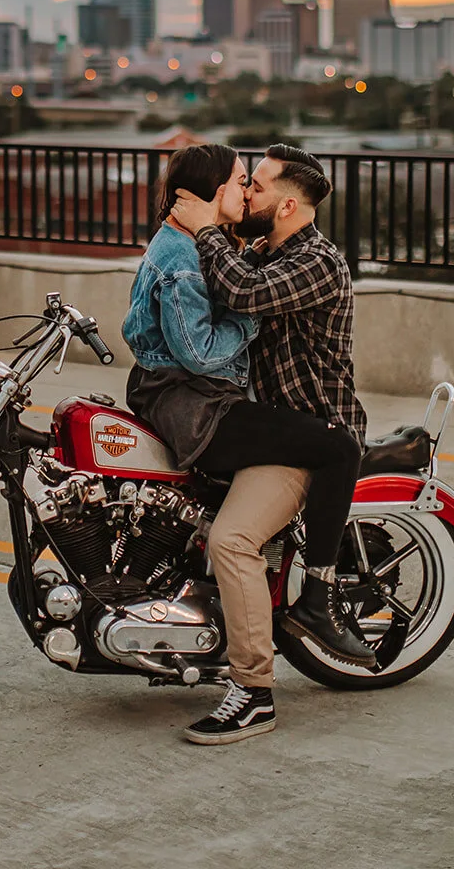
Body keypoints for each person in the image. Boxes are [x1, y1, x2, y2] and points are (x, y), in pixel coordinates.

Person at [123, 144, 370, 748]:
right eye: (242, 183)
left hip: (305, 433)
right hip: (259, 421)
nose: (248, 194)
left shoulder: (316, 263)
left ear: (286, 204)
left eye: (254, 186)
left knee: (234, 539)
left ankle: (259, 685)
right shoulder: (261, 249)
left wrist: (205, 225)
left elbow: (243, 298)